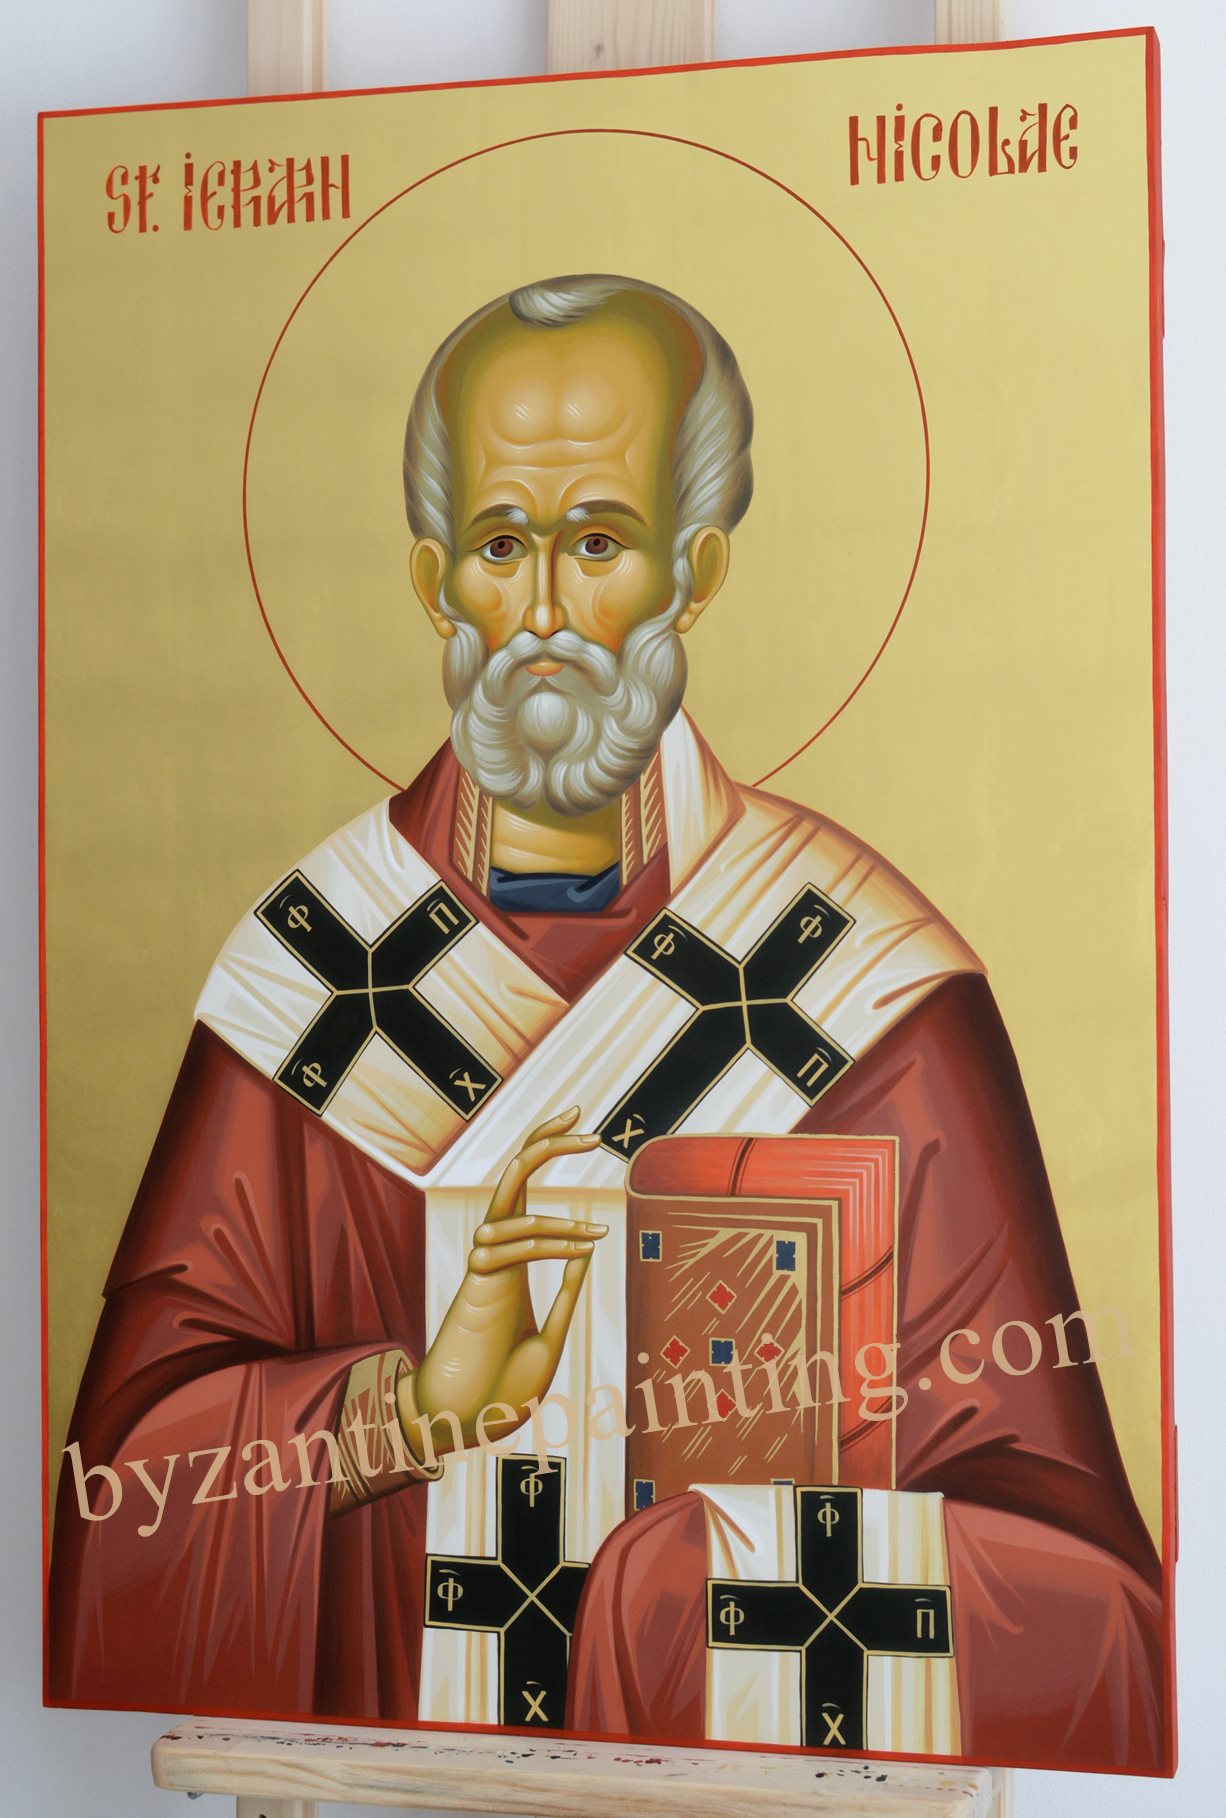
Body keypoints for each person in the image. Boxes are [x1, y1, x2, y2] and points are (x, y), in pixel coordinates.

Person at [48, 274, 1166, 1769]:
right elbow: (120, 1502)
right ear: (433, 580)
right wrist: (405, 1411)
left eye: (597, 543)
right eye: (501, 546)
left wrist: (683, 1602)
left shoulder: (868, 991)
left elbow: (1091, 1604)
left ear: (693, 569)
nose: (544, 617)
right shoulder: (313, 980)